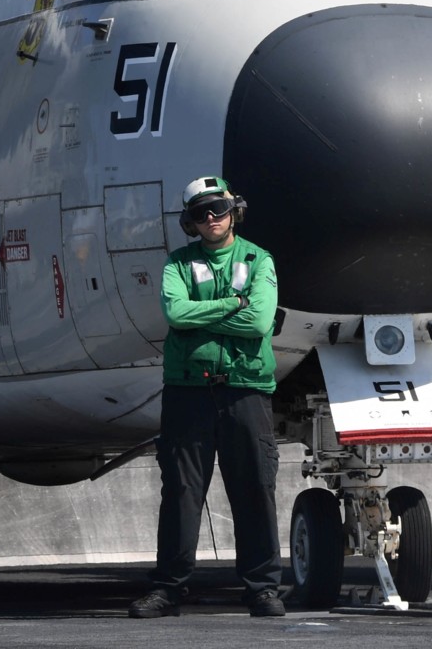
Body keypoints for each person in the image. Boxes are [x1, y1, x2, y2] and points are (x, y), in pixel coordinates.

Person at [129, 176, 284, 619]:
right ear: (190, 222)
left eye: (218, 208)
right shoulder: (177, 264)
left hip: (245, 390)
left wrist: (204, 319)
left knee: (255, 488)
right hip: (189, 392)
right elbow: (176, 313)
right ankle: (168, 590)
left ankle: (262, 589)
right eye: (201, 213)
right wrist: (232, 304)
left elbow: (259, 324)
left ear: (234, 209)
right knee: (180, 491)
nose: (212, 218)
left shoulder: (259, 259)